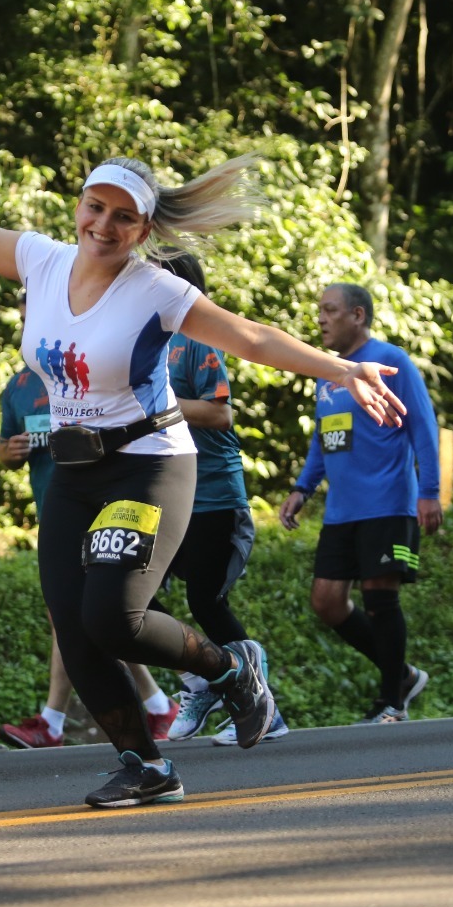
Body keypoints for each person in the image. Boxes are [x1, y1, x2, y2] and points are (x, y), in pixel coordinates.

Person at [0, 127, 404, 807]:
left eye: (123, 216)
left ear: (143, 228)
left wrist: (342, 368)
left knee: (113, 617)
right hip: (75, 471)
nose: (103, 224)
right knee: (73, 627)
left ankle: (231, 670)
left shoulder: (156, 291)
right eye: (94, 207)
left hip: (147, 466)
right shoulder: (39, 261)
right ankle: (146, 765)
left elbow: (251, 336)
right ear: (78, 206)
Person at [0, 292, 180, 749]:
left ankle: (53, 721)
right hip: (57, 511)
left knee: (87, 613)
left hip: (110, 501)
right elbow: (4, 451)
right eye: (23, 321)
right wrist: (11, 451)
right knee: (91, 616)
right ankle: (159, 705)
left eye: (34, 318)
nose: (28, 328)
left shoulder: (91, 367)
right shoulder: (18, 386)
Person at [277, 283, 441, 725]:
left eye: (330, 310)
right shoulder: (327, 373)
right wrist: (303, 487)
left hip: (388, 502)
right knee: (327, 602)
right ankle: (402, 673)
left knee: (379, 600)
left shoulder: (392, 362)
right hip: (342, 509)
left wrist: (430, 492)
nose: (321, 319)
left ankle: (392, 700)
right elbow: (325, 435)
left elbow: (423, 428)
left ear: (358, 315)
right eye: (320, 311)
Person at [144, 251, 288, 746]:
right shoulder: (143, 343)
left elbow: (219, 415)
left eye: (151, 272)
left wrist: (159, 405)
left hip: (212, 497)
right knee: (128, 592)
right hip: (160, 497)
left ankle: (263, 705)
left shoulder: (197, 341)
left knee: (206, 599)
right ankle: (199, 678)